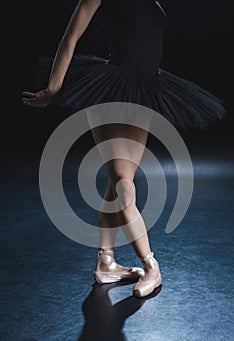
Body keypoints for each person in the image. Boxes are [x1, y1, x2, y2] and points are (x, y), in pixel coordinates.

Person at [22, 0, 226, 298]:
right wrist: (53, 89)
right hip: (113, 90)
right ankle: (151, 265)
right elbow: (70, 38)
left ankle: (106, 262)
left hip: (145, 90)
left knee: (117, 184)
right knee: (123, 186)